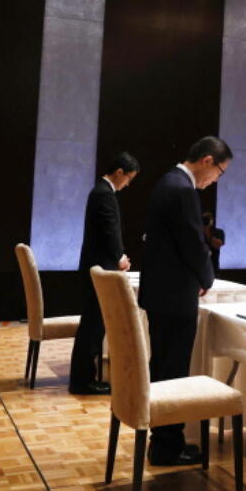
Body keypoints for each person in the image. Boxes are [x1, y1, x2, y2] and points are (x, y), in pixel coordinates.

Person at [138, 136, 231, 466]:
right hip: (175, 296)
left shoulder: (167, 181)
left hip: (162, 293)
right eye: (219, 171)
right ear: (207, 160)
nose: (216, 180)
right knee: (173, 369)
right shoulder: (183, 189)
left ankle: (161, 440)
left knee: (163, 365)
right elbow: (193, 244)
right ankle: (167, 446)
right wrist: (207, 279)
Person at [69, 151, 138, 396]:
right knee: (92, 327)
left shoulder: (100, 192)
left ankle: (83, 378)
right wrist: (119, 258)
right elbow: (109, 231)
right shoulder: (103, 194)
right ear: (119, 172)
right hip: (100, 269)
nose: (127, 184)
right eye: (128, 178)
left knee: (93, 326)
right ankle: (82, 380)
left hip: (95, 268)